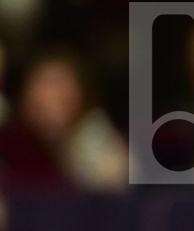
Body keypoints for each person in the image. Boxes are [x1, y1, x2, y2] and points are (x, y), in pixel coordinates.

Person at [0, 50, 127, 192]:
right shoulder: (9, 138)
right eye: (44, 83)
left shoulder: (94, 136)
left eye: (61, 83)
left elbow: (116, 185)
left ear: (81, 93)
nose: (51, 94)